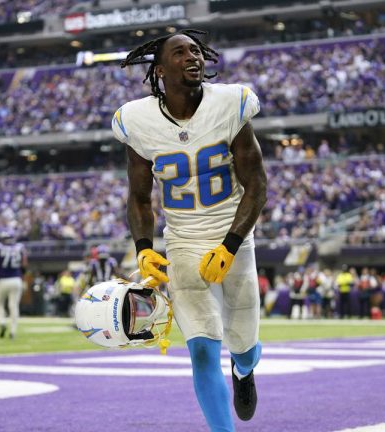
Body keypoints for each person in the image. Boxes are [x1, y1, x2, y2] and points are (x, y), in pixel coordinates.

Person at [115, 29, 267, 430]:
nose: (192, 56)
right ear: (161, 70)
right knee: (201, 347)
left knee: (244, 344)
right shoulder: (137, 119)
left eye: (195, 50)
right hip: (182, 239)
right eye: (180, 52)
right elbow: (139, 196)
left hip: (233, 232)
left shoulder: (230, 103)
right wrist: (144, 248)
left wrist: (231, 244)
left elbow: (257, 185)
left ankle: (244, 369)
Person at [0, 229, 27, 339]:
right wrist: (23, 276)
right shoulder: (20, 247)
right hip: (17, 279)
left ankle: (2, 322)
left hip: (3, 279)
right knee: (13, 305)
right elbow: (24, 263)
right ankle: (13, 331)